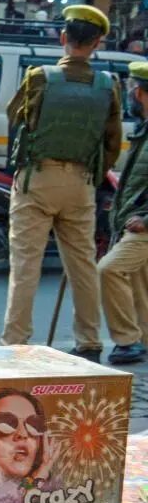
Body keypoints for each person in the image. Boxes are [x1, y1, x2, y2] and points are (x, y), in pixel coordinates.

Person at [1, 5, 123, 360]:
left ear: (63, 38)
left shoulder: (39, 77)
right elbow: (112, 143)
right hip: (80, 183)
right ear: (97, 43)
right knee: (82, 265)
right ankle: (89, 340)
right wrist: (89, 176)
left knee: (26, 265)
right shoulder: (108, 85)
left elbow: (14, 116)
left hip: (37, 179)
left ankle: (16, 341)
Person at [98, 62, 148, 365]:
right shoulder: (144, 129)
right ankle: (141, 339)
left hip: (142, 225)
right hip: (132, 221)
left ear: (139, 92)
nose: (128, 94)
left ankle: (127, 341)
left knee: (109, 269)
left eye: (130, 89)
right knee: (140, 286)